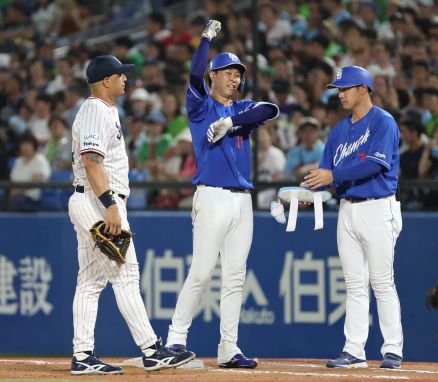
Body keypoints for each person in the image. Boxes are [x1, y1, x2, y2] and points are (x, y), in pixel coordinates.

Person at [68, 55, 195, 375]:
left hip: (91, 200)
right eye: (120, 75)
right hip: (98, 201)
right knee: (125, 275)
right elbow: (92, 163)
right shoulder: (96, 109)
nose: (126, 78)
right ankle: (152, 350)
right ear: (105, 81)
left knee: (91, 280)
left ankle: (82, 354)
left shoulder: (103, 110)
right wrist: (110, 204)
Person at [165, 20, 279, 368]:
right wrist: (204, 40)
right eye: (227, 72)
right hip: (212, 196)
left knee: (235, 276)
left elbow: (270, 110)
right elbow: (194, 74)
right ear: (213, 76)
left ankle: (228, 347)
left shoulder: (240, 109)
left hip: (242, 200)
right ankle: (174, 340)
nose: (234, 78)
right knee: (201, 271)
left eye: (237, 73)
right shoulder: (201, 106)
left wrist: (231, 123)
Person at [300, 66, 404, 369]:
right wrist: (311, 193)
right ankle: (354, 350)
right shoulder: (338, 130)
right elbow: (325, 174)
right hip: (347, 209)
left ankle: (393, 349)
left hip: (378, 206)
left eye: (345, 88)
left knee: (382, 282)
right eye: (338, 89)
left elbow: (374, 164)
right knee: (355, 284)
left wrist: (332, 175)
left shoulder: (383, 122)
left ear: (363, 89)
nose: (340, 94)